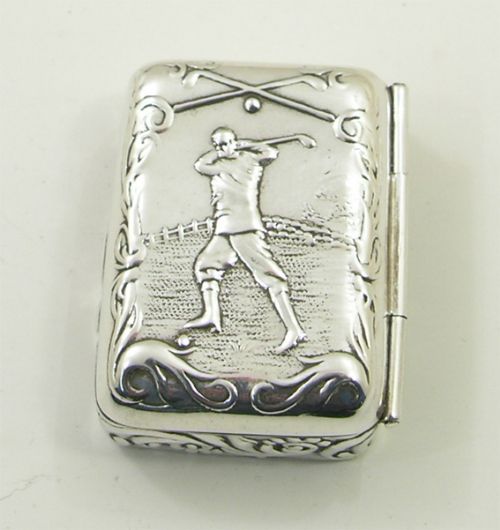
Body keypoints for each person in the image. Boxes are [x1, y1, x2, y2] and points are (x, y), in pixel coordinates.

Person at [184, 127, 315, 353]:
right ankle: (211, 315)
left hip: (243, 226)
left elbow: (269, 152)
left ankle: (294, 330)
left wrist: (243, 144)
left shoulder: (249, 162)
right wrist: (228, 147)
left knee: (269, 275)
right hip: (225, 226)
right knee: (207, 266)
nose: (220, 149)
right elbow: (200, 164)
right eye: (217, 145)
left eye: (225, 143)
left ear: (234, 142)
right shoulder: (218, 164)